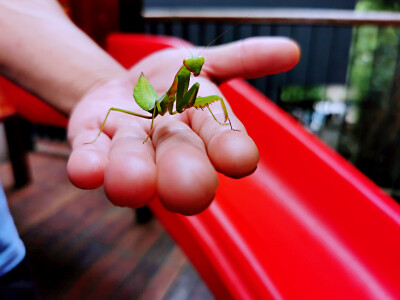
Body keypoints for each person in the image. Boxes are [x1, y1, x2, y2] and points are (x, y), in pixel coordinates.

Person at [0, 0, 300, 298]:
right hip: (11, 259)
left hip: (8, 261)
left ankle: (227, 128)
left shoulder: (185, 86)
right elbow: (163, 106)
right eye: (192, 65)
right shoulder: (170, 90)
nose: (194, 68)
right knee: (122, 117)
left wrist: (99, 79)